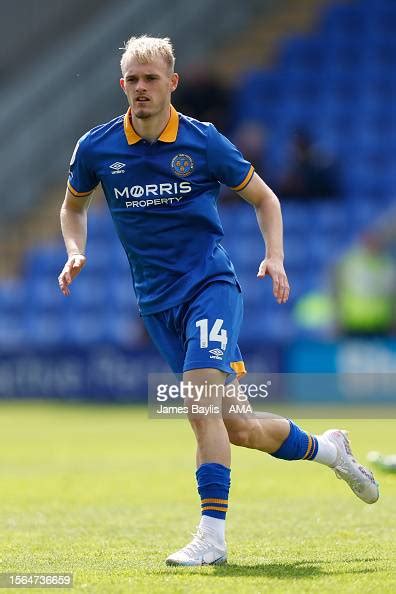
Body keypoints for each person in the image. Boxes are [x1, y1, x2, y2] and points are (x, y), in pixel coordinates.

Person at [58, 36, 379, 567]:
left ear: (172, 83)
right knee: (241, 427)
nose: (141, 88)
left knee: (197, 400)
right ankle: (331, 451)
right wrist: (75, 249)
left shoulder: (204, 143)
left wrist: (275, 256)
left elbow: (266, 198)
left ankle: (212, 537)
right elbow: (73, 209)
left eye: (151, 78)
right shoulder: (96, 148)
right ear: (123, 85)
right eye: (133, 79)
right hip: (157, 304)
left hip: (210, 288)